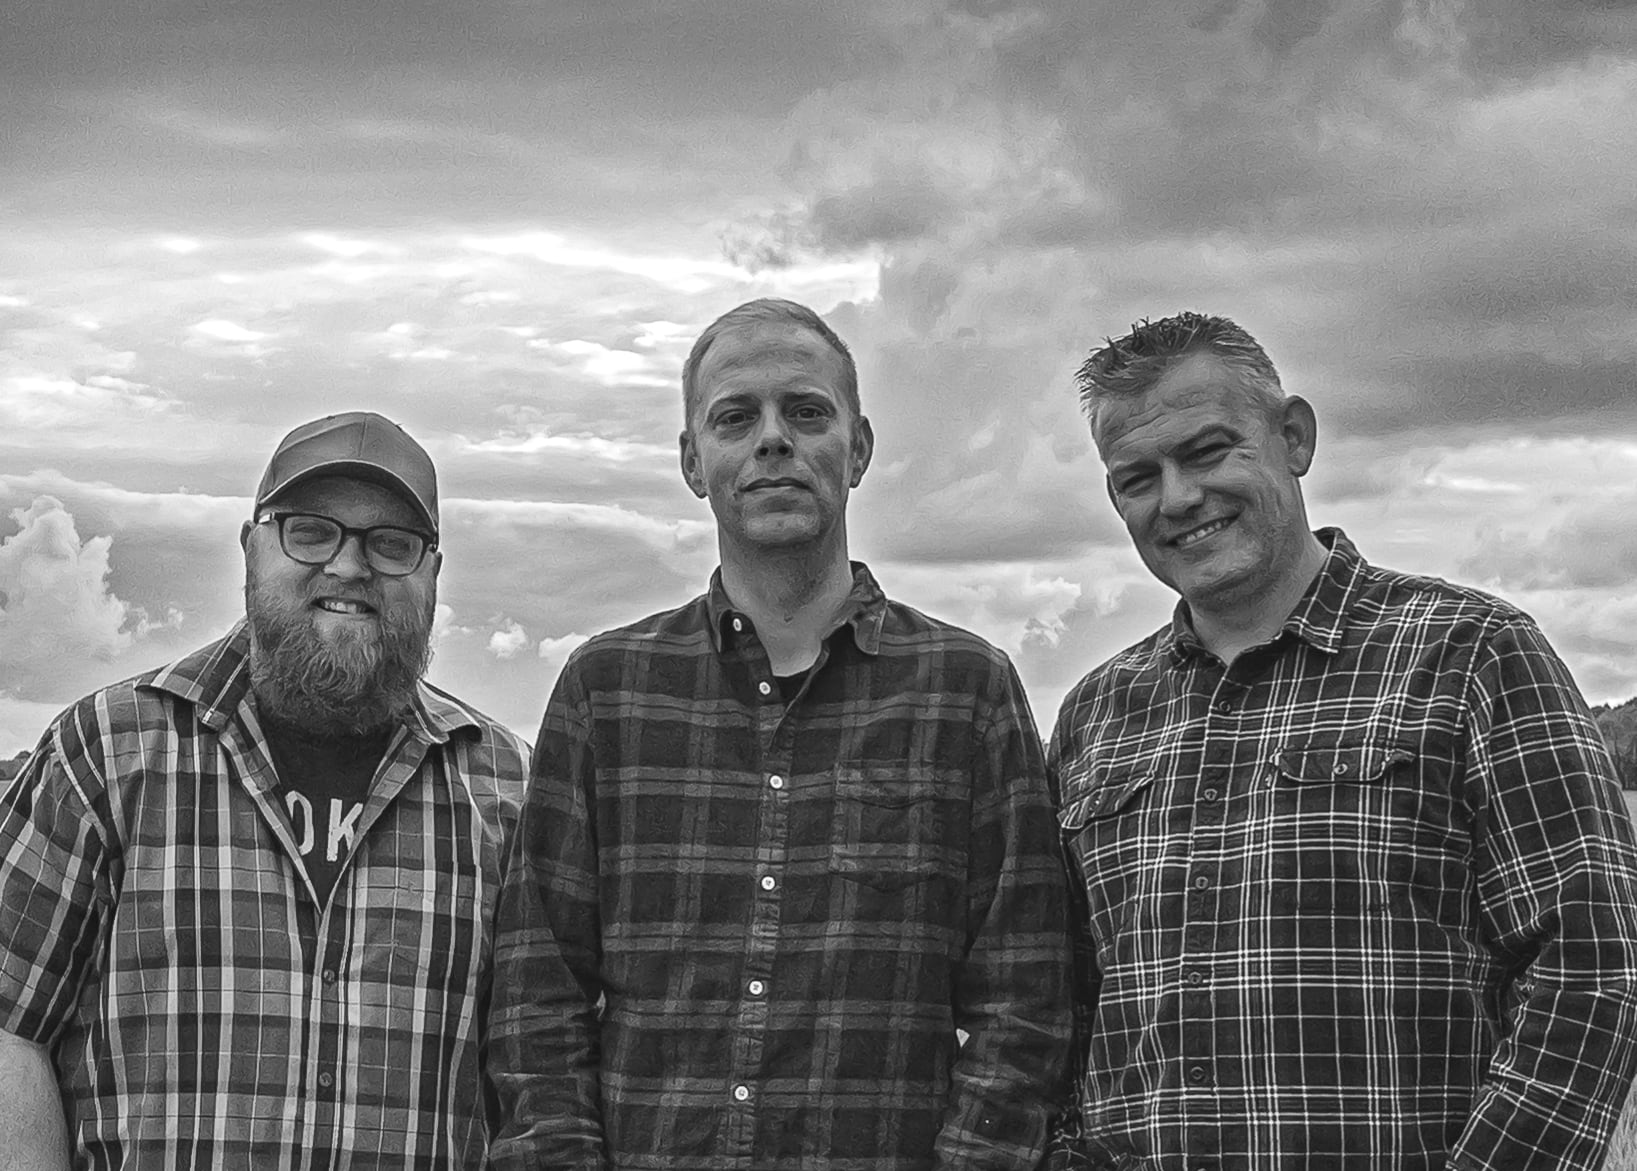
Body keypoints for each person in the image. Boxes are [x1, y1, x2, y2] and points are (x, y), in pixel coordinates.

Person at [487, 298, 1071, 1169]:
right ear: (692, 461)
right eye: (735, 417)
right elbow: (538, 997)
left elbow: (1024, 1004)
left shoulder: (967, 691)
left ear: (858, 448)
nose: (772, 439)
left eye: (805, 412)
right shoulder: (606, 691)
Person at [1053, 311, 1637, 1168]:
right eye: (1138, 477)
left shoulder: (1469, 653)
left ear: (1293, 437)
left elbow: (1594, 962)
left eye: (1207, 451)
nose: (1176, 498)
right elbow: (1066, 1007)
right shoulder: (1095, 715)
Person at [0, 411, 529, 1169]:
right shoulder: (107, 754)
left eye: (392, 543)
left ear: (433, 573)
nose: (349, 566)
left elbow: (541, 1072)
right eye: (309, 532)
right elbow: (11, 1030)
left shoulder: (507, 791)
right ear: (251, 548)